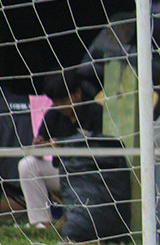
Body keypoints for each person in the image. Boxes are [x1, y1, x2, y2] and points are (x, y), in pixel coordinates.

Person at [18, 71, 103, 229]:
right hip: (62, 173)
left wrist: (66, 145)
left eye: (64, 100)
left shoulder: (96, 112)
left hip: (89, 176)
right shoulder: (53, 115)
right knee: (27, 165)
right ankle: (40, 223)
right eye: (56, 102)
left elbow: (101, 147)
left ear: (77, 93)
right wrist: (40, 146)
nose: (60, 106)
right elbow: (40, 148)